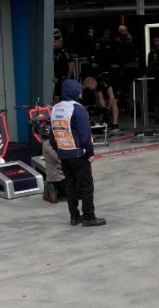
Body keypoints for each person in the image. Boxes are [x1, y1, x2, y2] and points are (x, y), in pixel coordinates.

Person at [51, 79, 106, 227]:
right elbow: (85, 134)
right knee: (86, 185)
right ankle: (89, 216)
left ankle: (74, 216)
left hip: (64, 154)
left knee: (70, 185)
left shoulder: (55, 109)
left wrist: (59, 150)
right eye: (79, 90)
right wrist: (90, 151)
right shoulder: (78, 109)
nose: (81, 93)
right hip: (78, 154)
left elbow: (52, 135)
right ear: (75, 92)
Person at [52, 30, 74, 103]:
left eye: (55, 42)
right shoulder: (54, 51)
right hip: (57, 79)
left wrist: (68, 77)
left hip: (64, 78)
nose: (53, 44)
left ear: (60, 41)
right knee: (56, 95)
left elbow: (71, 65)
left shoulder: (65, 51)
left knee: (65, 96)